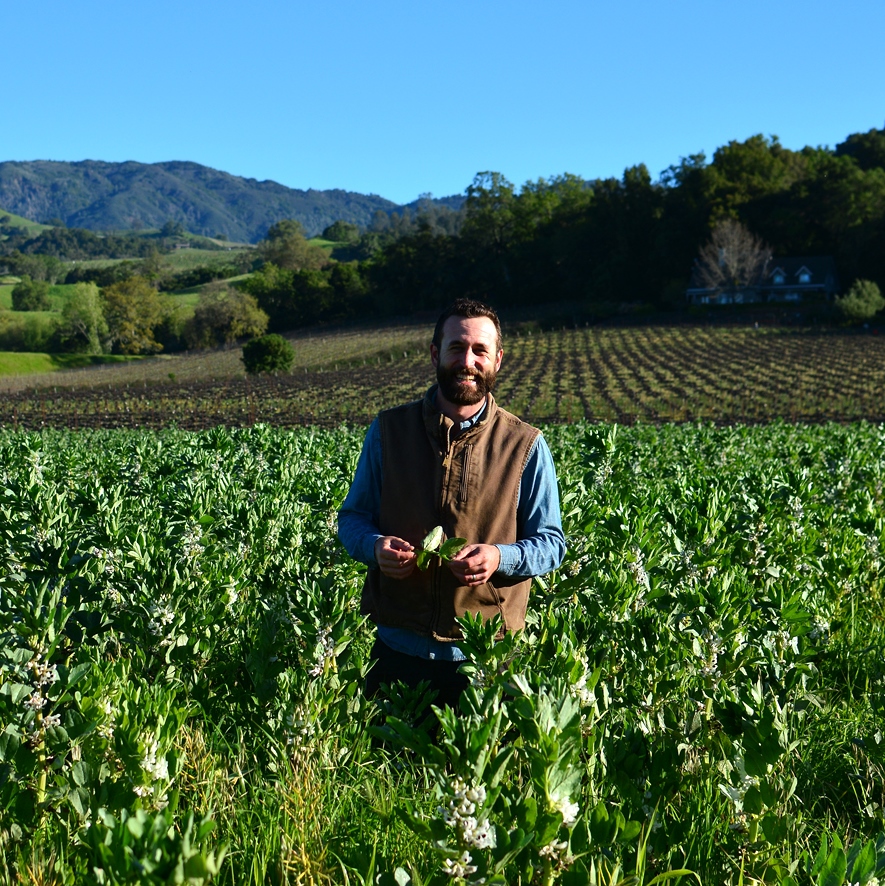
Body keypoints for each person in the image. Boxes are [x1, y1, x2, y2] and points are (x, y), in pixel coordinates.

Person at [337, 299, 566, 707]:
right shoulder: (389, 431)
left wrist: (499, 558)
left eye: (480, 350)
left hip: (484, 655)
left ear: (497, 359)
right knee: (390, 767)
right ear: (434, 353)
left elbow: (551, 543)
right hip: (397, 646)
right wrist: (374, 546)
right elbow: (353, 517)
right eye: (457, 347)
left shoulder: (525, 444)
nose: (468, 360)